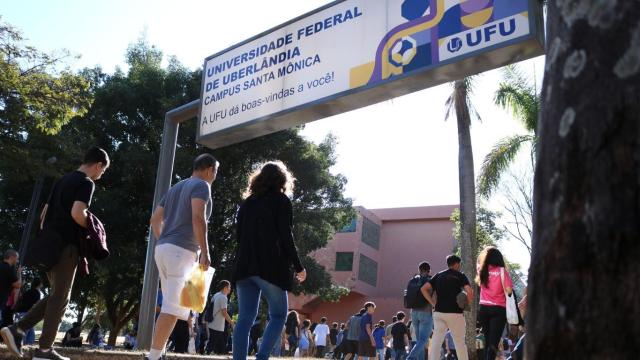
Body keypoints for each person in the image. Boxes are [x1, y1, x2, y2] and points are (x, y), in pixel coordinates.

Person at [2, 147, 110, 360]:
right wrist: (91, 229)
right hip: (66, 247)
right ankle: (43, 350)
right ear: (98, 165)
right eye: (103, 171)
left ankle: (18, 330)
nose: (101, 175)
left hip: (49, 246)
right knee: (61, 297)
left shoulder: (62, 180)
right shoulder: (86, 183)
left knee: (56, 296)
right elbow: (78, 213)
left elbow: (44, 215)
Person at [144, 154, 219, 360]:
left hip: (164, 249)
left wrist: (165, 239)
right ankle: (153, 357)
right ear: (210, 169)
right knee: (173, 308)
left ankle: (158, 353)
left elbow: (154, 220)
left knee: (176, 306)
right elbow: (198, 218)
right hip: (182, 251)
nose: (214, 177)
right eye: (215, 172)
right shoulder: (202, 185)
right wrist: (205, 251)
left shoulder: (176, 187)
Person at [231, 161, 307, 360]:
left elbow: (238, 236)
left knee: (245, 318)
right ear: (282, 180)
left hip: (244, 267)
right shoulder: (281, 201)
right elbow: (285, 235)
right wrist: (298, 266)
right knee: (279, 315)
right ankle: (262, 356)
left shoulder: (247, 204)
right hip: (270, 268)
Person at [423, 255, 473, 360]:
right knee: (459, 343)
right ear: (457, 264)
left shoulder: (438, 275)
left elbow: (424, 289)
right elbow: (469, 291)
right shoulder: (460, 275)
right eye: (460, 264)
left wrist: (433, 303)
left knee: (436, 341)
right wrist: (466, 303)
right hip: (455, 313)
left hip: (439, 313)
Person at [476, 247, 512, 360]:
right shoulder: (502, 271)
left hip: (484, 309)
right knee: (494, 342)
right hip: (498, 309)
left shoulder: (482, 271)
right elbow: (509, 290)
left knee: (487, 341)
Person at [406, 262, 433, 360]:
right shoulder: (430, 280)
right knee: (423, 340)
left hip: (413, 313)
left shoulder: (413, 280)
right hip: (426, 312)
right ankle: (409, 358)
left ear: (419, 270)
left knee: (419, 342)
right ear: (429, 270)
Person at [207, 280, 234, 355]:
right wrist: (232, 323)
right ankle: (207, 354)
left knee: (218, 345)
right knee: (214, 345)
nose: (230, 289)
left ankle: (209, 353)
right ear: (225, 288)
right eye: (229, 287)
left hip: (212, 323)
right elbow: (224, 313)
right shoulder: (223, 297)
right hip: (217, 325)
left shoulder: (216, 295)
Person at [14, 278, 43, 345]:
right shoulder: (37, 292)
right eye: (41, 283)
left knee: (30, 334)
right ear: (39, 284)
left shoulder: (28, 291)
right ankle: (21, 347)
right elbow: (36, 305)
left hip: (20, 313)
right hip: (27, 314)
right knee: (26, 333)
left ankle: (27, 347)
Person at [0, 250, 21, 328]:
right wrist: (19, 273)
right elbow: (18, 285)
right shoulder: (8, 269)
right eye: (17, 258)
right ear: (12, 257)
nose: (17, 261)